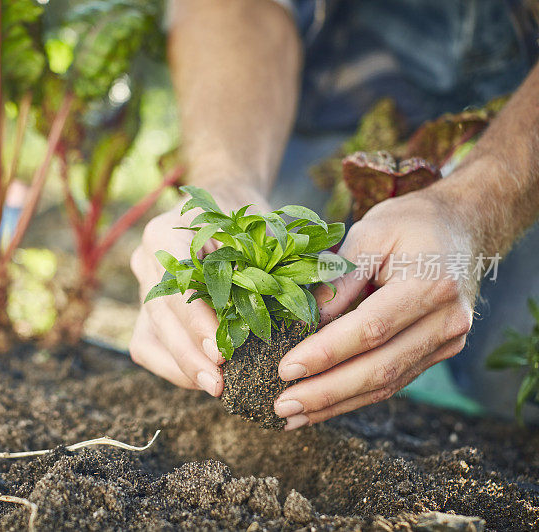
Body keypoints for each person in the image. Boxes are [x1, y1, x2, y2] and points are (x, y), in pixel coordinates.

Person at [129, 0, 539, 429]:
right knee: (288, 257)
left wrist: (475, 209)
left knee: (512, 380)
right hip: (352, 76)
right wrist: (226, 180)